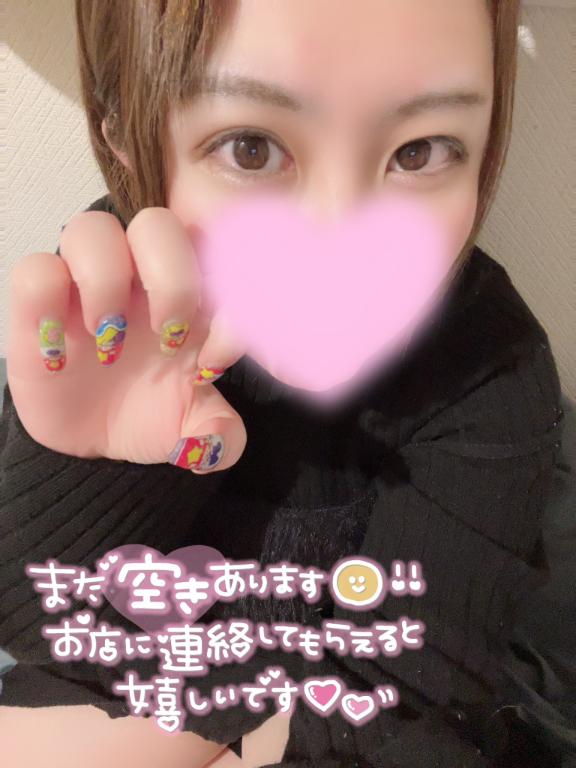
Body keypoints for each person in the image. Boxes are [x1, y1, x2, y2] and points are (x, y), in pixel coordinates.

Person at [0, 1, 570, 766]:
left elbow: (408, 704)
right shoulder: (113, 308)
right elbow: (50, 639)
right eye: (252, 148)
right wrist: (90, 464)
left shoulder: (491, 367)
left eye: (421, 151)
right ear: (122, 140)